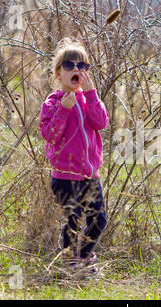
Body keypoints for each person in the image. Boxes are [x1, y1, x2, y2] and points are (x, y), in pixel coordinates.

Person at [39, 38, 109, 269]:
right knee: (71, 223)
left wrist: (91, 95)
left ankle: (81, 258)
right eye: (69, 65)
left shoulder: (89, 99)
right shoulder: (53, 102)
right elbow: (50, 135)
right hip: (65, 177)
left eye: (82, 66)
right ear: (58, 73)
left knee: (99, 220)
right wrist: (64, 111)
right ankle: (69, 264)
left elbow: (101, 123)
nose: (76, 70)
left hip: (91, 176)